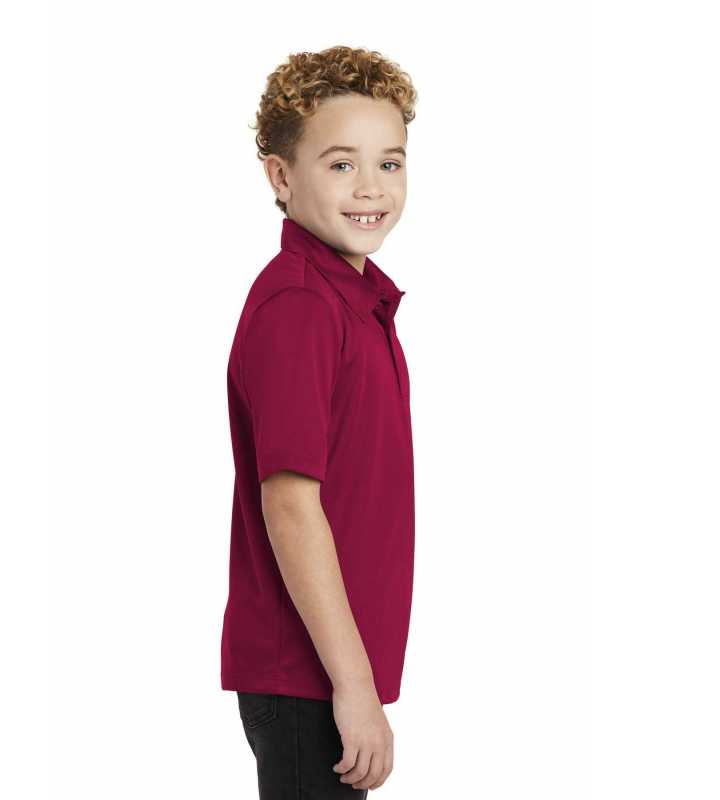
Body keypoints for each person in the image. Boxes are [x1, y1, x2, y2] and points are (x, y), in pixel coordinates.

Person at [221, 45, 418, 798]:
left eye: (389, 163)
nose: (371, 187)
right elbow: (291, 502)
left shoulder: (352, 300)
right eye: (341, 165)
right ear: (280, 176)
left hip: (328, 671)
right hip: (311, 676)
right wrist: (354, 686)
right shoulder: (301, 306)